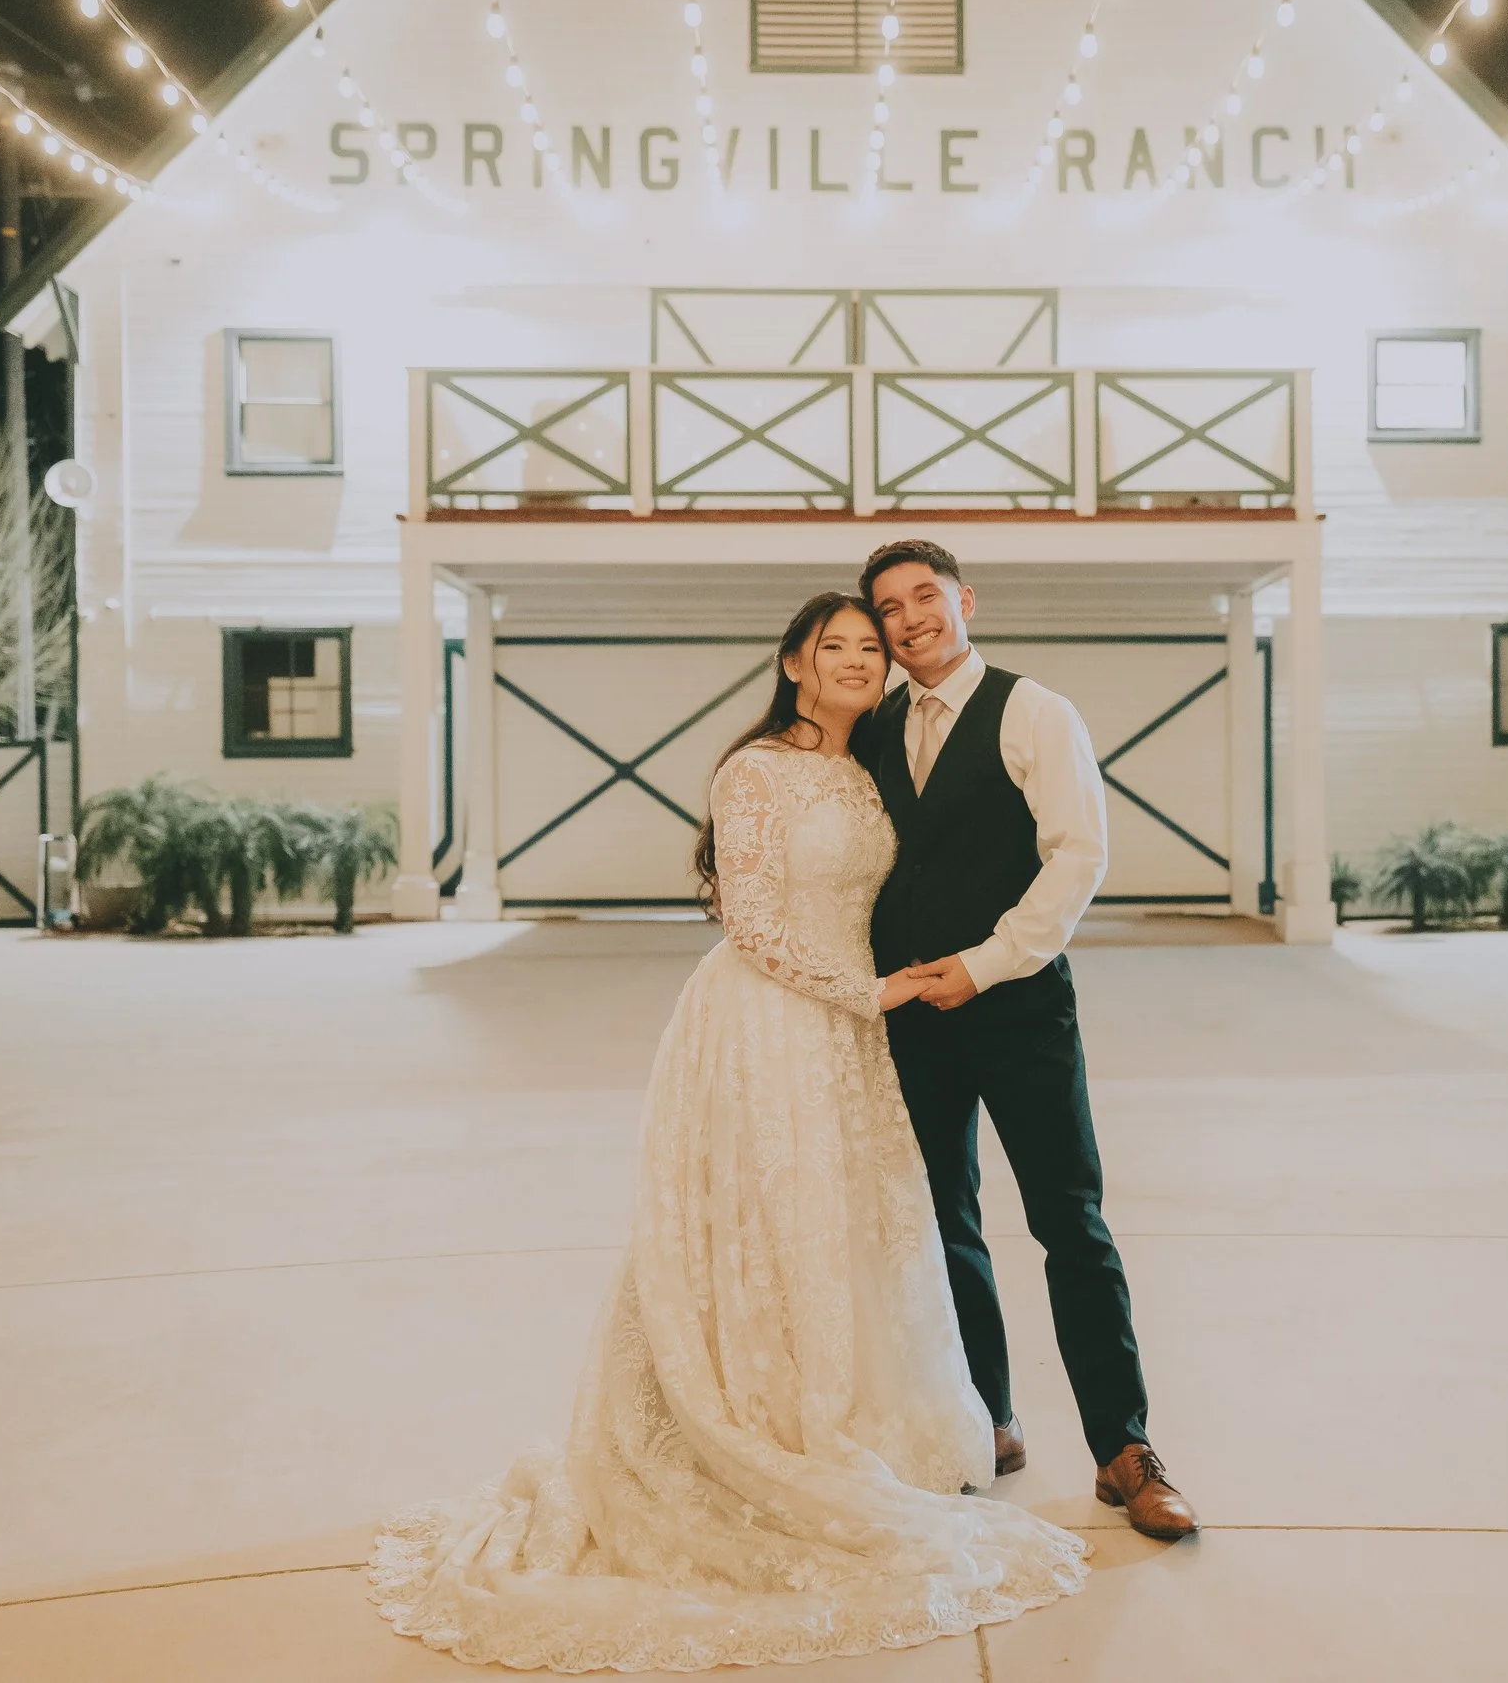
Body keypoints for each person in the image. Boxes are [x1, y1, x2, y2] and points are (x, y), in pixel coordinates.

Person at [368, 592, 1088, 1673]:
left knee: (848, 1225)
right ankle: (750, 1420)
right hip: (768, 1019)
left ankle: (842, 1416)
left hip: (854, 1028)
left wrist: (889, 992)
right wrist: (872, 991)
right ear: (794, 663)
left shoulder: (875, 767)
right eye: (833, 645)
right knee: (766, 1218)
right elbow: (750, 924)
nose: (855, 658)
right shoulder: (753, 769)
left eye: (868, 645)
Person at [859, 539, 1199, 1542]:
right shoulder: (874, 726)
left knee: (1070, 1226)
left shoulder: (1033, 711)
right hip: (911, 1019)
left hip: (1019, 1010)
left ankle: (1124, 1448)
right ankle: (985, 1422)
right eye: (888, 606)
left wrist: (987, 961)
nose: (910, 616)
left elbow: (1076, 855)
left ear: (964, 599)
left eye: (925, 594)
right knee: (941, 1223)